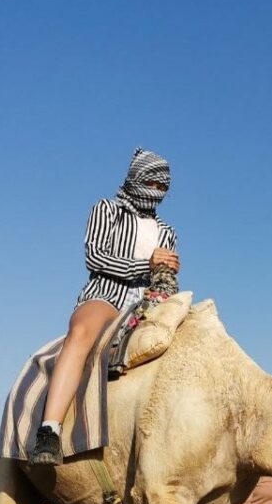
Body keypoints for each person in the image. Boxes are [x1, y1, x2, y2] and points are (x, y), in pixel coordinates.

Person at [30, 149, 181, 465]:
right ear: (136, 178)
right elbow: (95, 258)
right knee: (82, 333)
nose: (156, 192)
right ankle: (50, 430)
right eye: (151, 182)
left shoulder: (167, 231)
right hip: (107, 293)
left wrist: (166, 273)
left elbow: (161, 276)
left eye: (163, 187)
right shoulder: (107, 209)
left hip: (148, 301)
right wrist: (146, 262)